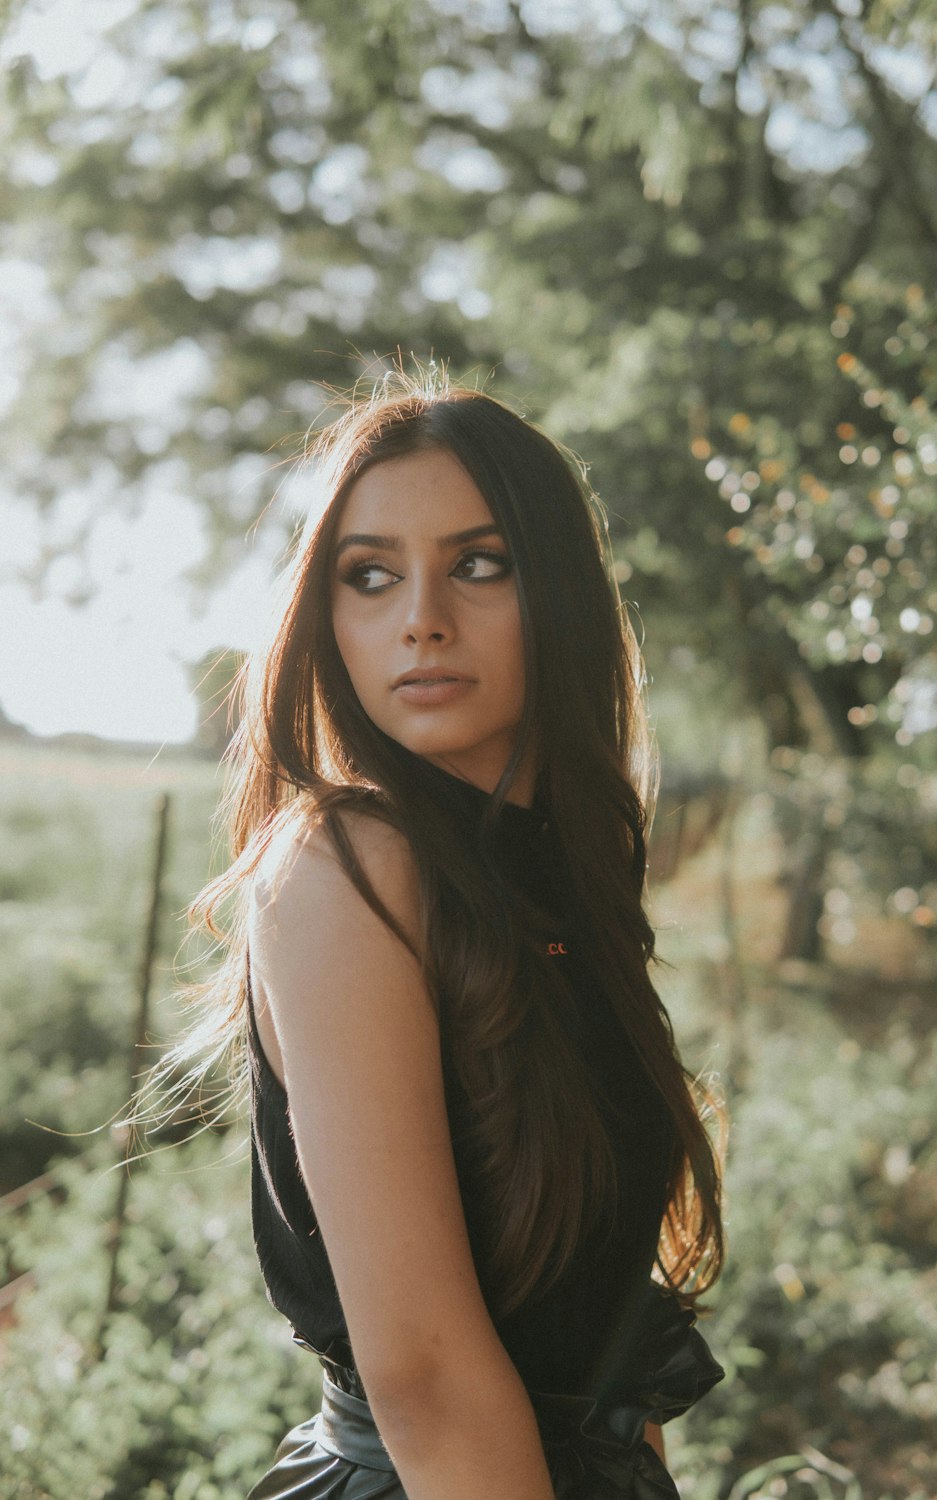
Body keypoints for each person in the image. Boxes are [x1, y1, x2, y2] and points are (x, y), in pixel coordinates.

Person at [177, 373, 725, 1499]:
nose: (421, 616)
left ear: (559, 592)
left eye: (479, 564)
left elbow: (613, 1330)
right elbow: (423, 1379)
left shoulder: (559, 874)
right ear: (324, 617)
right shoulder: (345, 867)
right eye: (368, 576)